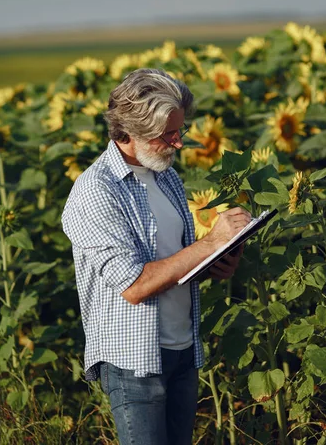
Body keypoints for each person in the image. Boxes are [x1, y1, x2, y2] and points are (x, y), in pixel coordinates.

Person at [62, 68, 251, 445]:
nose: (179, 143)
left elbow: (172, 261)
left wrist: (214, 265)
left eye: (180, 130)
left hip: (181, 349)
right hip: (135, 364)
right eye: (168, 134)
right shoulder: (95, 192)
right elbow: (134, 285)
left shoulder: (165, 175)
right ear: (129, 131)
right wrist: (210, 242)